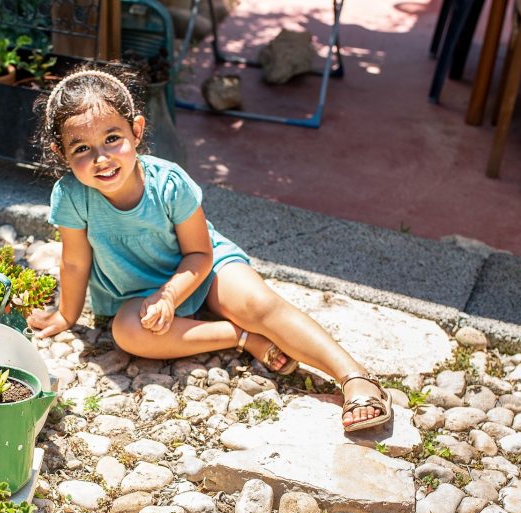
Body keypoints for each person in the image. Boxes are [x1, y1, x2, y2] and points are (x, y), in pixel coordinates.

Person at [27, 67, 391, 432]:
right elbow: (74, 262)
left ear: (136, 131)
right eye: (82, 149)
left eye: (112, 139)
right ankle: (241, 336)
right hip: (138, 292)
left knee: (259, 304)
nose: (101, 158)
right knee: (126, 333)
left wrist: (170, 296)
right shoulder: (72, 195)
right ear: (61, 152)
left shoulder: (169, 183)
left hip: (204, 267)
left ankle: (354, 378)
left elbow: (200, 254)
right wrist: (66, 315)